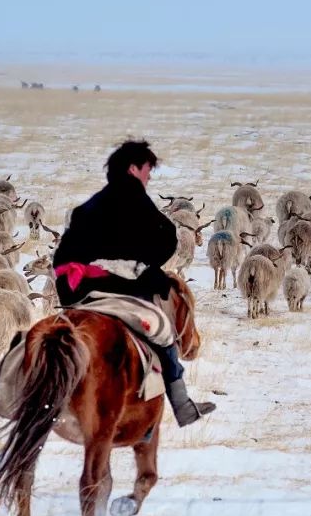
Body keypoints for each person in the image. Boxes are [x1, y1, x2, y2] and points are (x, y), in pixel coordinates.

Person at [52, 139, 216, 426]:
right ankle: (182, 404)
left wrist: (74, 286)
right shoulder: (135, 200)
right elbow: (167, 238)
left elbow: (63, 257)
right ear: (132, 169)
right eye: (147, 169)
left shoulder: (88, 207)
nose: (149, 176)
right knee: (163, 333)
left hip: (80, 294)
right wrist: (144, 265)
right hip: (123, 289)